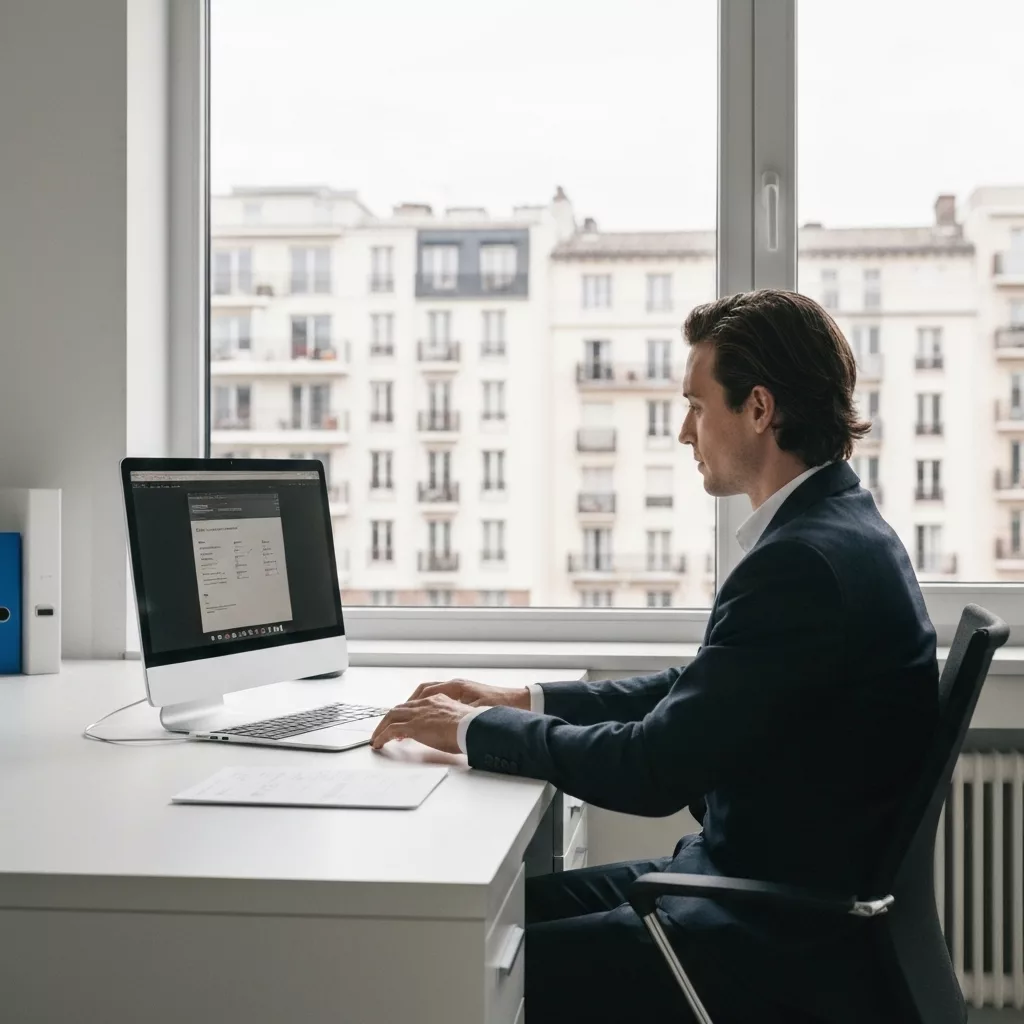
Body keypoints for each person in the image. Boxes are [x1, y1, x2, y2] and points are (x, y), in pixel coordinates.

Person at [371, 289, 938, 1024]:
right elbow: (700, 688)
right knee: (472, 923)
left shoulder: (804, 563)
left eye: (698, 406)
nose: (682, 431)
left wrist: (471, 732)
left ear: (759, 409)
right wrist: (523, 701)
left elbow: (652, 768)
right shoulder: (839, 528)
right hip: (751, 888)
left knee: (447, 965)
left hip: (761, 935)